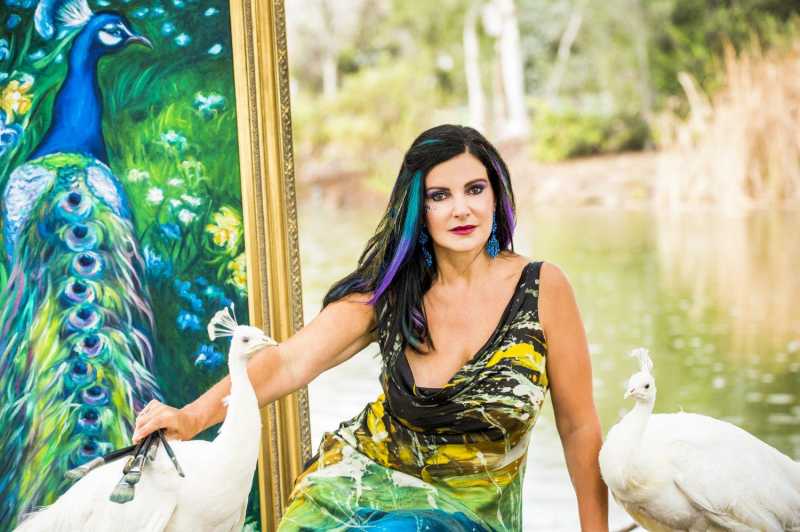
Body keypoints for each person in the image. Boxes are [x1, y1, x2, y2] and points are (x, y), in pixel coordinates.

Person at [133, 124, 609, 531]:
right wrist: (192, 417)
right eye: (439, 196)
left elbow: (579, 426)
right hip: (361, 495)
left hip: (472, 517)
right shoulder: (391, 292)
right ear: (418, 210)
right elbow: (289, 362)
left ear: (496, 194)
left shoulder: (542, 289)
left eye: (474, 189)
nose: (461, 209)